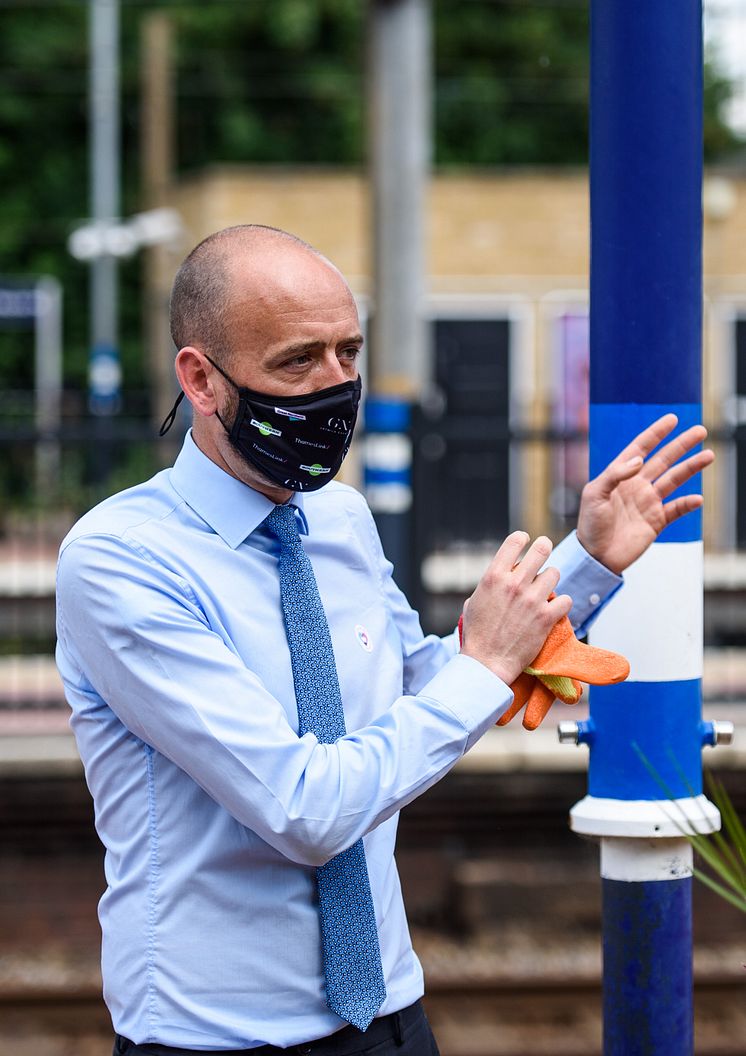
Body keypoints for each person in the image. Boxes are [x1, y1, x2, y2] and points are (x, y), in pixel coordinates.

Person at [55, 225, 713, 1056]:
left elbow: (418, 688)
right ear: (201, 380)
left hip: (391, 1020)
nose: (335, 386)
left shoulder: (340, 518)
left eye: (348, 352)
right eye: (298, 361)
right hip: (216, 1039)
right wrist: (483, 664)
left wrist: (584, 563)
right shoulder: (120, 561)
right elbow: (304, 807)